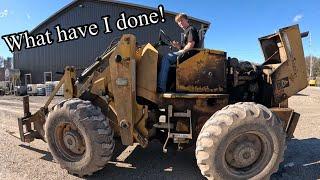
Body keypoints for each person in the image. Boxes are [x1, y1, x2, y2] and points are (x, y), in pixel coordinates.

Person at [157, 13, 200, 93]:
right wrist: (177, 46)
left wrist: (181, 51)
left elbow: (191, 45)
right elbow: (185, 46)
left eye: (181, 20)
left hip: (190, 54)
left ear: (186, 20)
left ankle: (161, 88)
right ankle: (170, 86)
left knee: (166, 57)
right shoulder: (186, 32)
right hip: (187, 53)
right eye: (178, 22)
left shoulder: (191, 29)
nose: (180, 23)